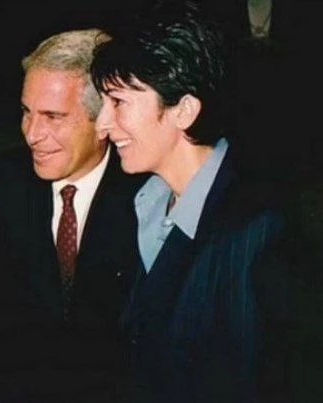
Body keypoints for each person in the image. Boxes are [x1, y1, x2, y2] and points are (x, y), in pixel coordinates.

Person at [91, 1, 292, 401]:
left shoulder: (257, 233)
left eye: (118, 103)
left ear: (183, 110)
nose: (101, 125)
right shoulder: (142, 203)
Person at [0, 29, 146, 402]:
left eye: (53, 116)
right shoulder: (4, 179)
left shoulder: (147, 193)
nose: (32, 134)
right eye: (27, 112)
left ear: (103, 119)